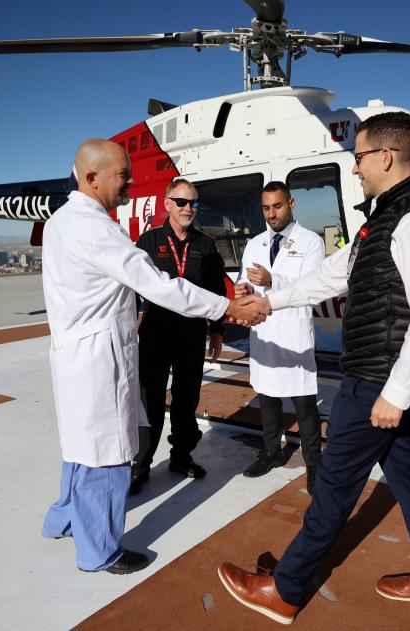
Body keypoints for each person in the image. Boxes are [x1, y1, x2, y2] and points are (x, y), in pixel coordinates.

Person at [218, 112, 410, 623]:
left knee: (332, 487)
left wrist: (395, 395)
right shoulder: (384, 221)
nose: (353, 169)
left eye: (358, 157)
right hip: (377, 379)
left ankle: (284, 591)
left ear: (386, 157)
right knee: (409, 478)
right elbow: (331, 276)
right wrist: (271, 301)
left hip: (375, 383)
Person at [40, 139, 268, 575]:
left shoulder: (60, 222)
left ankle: (63, 519)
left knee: (78, 448)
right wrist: (228, 308)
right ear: (91, 178)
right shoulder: (97, 230)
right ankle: (99, 551)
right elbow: (161, 286)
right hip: (97, 359)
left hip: (71, 354)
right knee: (106, 456)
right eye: (122, 175)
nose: (130, 182)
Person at [129, 178, 227, 495]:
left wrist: (217, 331)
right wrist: (128, 325)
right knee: (151, 403)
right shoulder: (148, 241)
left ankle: (181, 457)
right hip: (156, 334)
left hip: (191, 335)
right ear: (167, 203)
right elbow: (131, 288)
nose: (188, 209)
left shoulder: (205, 245)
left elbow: (214, 290)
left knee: (187, 401)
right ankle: (140, 466)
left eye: (193, 203)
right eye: (181, 202)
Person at [234, 181, 325, 494]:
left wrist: (274, 279)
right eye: (266, 208)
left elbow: (313, 286)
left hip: (294, 332)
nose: (271, 214)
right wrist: (243, 289)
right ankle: (271, 452)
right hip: (264, 332)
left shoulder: (311, 242)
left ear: (292, 204)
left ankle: (314, 464)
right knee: (268, 399)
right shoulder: (256, 243)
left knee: (305, 405)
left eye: (277, 206)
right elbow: (244, 281)